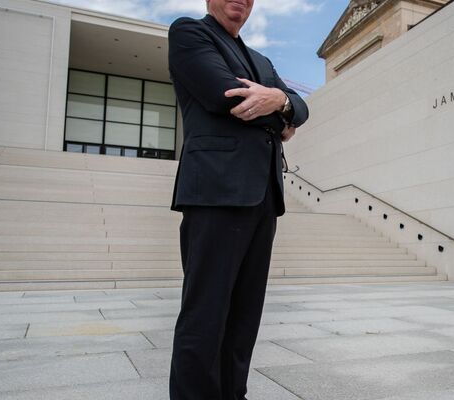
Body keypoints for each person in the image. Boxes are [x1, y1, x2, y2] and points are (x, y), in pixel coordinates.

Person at [167, 1, 308, 399]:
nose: (241, 1)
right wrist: (281, 112)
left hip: (263, 195)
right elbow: (223, 95)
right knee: (205, 314)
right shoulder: (190, 33)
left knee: (244, 317)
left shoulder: (260, 59)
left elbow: (301, 106)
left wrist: (280, 101)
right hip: (215, 191)